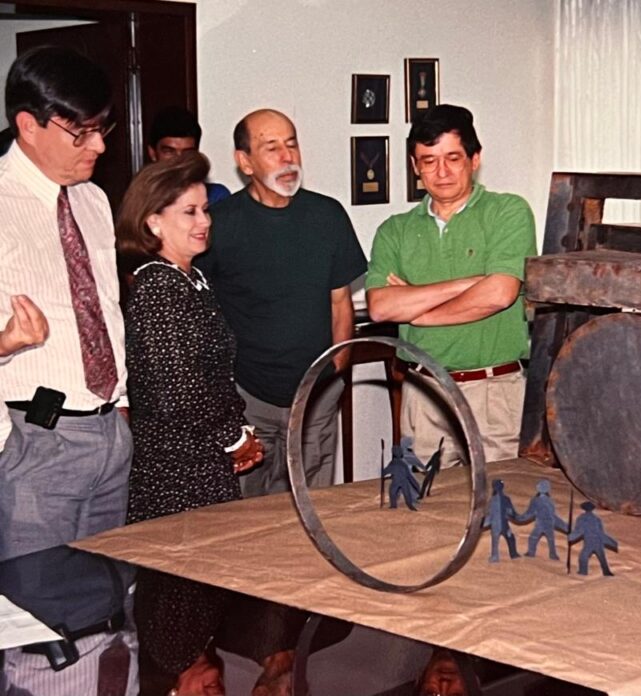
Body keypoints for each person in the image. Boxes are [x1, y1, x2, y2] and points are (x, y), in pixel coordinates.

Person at [116, 151, 265, 696]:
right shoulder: (159, 290)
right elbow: (180, 393)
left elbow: (213, 378)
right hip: (176, 476)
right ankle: (170, 671)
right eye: (189, 213)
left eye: (205, 210)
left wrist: (239, 430)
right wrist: (233, 437)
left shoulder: (189, 280)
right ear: (153, 221)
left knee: (202, 599)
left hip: (202, 467)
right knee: (180, 600)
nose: (204, 222)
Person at [0, 45, 131, 562]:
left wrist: (120, 409)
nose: (97, 145)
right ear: (28, 125)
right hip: (34, 440)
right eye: (81, 132)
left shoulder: (93, 200)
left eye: (103, 128)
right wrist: (6, 341)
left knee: (107, 607)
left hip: (109, 436)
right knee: (37, 619)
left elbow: (105, 311)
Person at [196, 108, 366, 497]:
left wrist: (334, 374)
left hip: (316, 398)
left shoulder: (327, 215)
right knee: (247, 518)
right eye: (272, 148)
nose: (288, 158)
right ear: (244, 161)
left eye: (292, 145)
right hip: (247, 401)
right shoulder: (219, 224)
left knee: (312, 512)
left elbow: (340, 303)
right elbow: (204, 315)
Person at [366, 104, 536, 467]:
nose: (441, 172)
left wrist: (420, 313)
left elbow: (500, 293)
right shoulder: (394, 230)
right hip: (423, 393)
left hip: (495, 394)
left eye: (452, 158)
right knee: (425, 513)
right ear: (415, 166)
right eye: (428, 161)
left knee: (500, 509)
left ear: (475, 159)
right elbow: (381, 307)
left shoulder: (508, 212)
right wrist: (469, 282)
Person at [146, 105, 230, 204]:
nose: (179, 160)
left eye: (187, 153)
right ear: (153, 153)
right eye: (169, 152)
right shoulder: (141, 199)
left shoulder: (215, 197)